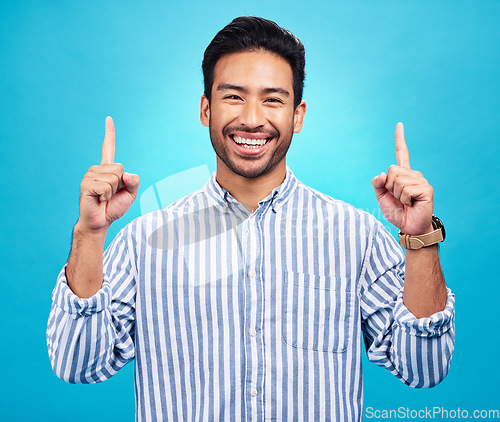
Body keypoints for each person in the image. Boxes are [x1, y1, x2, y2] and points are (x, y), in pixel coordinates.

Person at [47, 16, 455, 421]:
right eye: (234, 97)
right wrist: (90, 233)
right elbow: (77, 364)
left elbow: (423, 368)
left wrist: (420, 237)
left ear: (297, 114)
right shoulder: (146, 238)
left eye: (273, 99)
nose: (253, 118)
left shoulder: (356, 235)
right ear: (206, 109)